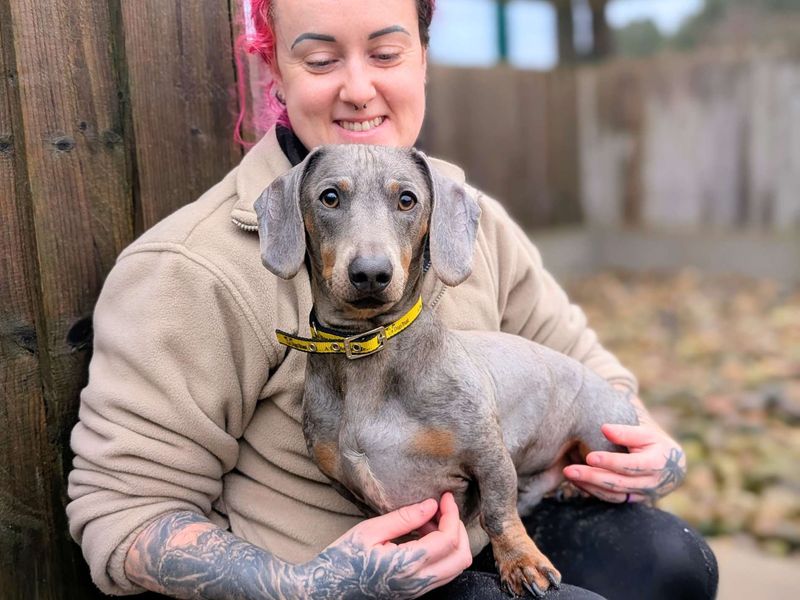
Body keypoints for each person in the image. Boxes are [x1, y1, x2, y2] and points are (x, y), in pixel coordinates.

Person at [67, 1, 718, 598]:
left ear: (424, 61)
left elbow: (588, 371)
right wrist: (305, 586)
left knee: (671, 564)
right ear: (275, 68)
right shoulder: (189, 267)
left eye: (386, 53)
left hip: (487, 530)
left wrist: (656, 456)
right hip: (321, 581)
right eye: (321, 59)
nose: (358, 88)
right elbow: (122, 509)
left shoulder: (469, 217)